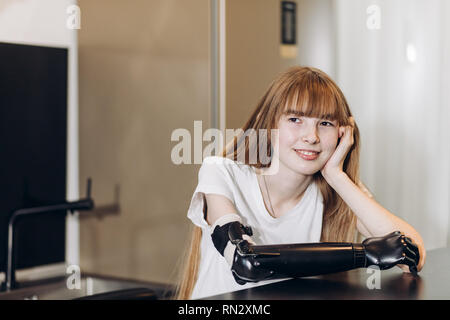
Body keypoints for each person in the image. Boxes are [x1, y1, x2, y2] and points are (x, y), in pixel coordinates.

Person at [175, 66, 425, 300]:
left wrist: (338, 176)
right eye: (296, 119)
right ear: (269, 123)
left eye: (325, 123)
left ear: (342, 133)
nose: (311, 137)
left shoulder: (332, 190)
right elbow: (245, 262)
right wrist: (366, 254)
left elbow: (411, 254)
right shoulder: (221, 172)